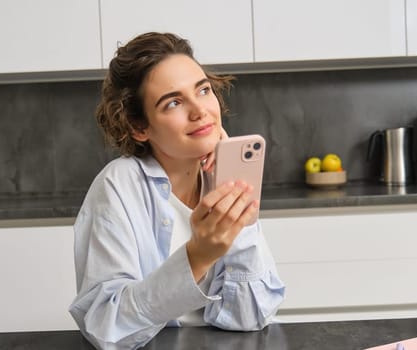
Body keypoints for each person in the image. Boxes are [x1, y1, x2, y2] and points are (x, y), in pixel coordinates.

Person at [68, 32, 286, 350]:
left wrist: (241, 228)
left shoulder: (224, 179)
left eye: (203, 90)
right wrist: (197, 257)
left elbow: (250, 317)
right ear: (138, 127)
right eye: (173, 102)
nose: (200, 111)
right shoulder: (118, 186)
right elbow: (107, 327)